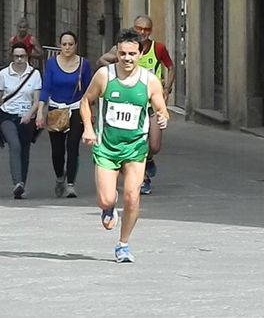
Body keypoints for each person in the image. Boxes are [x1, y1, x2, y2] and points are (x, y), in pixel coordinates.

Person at [81, 28, 169, 263]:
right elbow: (85, 101)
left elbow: (161, 107)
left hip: (135, 147)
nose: (127, 58)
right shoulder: (104, 76)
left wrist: (162, 116)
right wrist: (89, 128)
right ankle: (108, 210)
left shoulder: (149, 80)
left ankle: (123, 244)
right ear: (116, 53)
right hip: (107, 147)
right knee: (107, 199)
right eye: (122, 54)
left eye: (132, 53)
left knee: (132, 197)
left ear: (140, 54)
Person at [96, 15, 175, 194]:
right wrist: (116, 66)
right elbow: (101, 60)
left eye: (147, 29)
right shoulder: (121, 49)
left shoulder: (158, 48)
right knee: (132, 143)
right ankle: (142, 179)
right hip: (130, 104)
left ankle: (149, 159)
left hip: (151, 103)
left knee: (154, 146)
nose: (143, 32)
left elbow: (170, 67)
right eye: (139, 28)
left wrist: (167, 89)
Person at [35, 31, 92, 198]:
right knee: (57, 151)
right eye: (64, 44)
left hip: (76, 109)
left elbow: (88, 91)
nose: (67, 47)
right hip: (56, 109)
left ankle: (70, 185)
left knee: (72, 147)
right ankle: (60, 177)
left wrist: (90, 114)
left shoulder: (84, 64)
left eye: (71, 44)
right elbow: (46, 88)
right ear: (60, 46)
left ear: (76, 46)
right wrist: (40, 111)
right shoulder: (52, 63)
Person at [0, 42, 42, 199]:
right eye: (16, 56)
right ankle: (17, 183)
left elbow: (37, 100)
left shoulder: (34, 74)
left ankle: (22, 183)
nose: (20, 59)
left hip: (27, 117)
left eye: (22, 56)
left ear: (27, 56)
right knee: (14, 145)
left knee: (25, 150)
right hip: (7, 116)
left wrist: (30, 114)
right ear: (12, 56)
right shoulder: (4, 74)